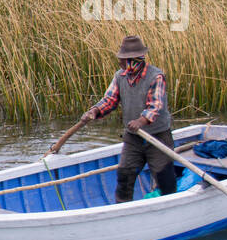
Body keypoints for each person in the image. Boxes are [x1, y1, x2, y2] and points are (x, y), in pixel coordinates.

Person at [56, 34, 176, 202]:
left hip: (157, 137)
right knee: (125, 174)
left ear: (133, 60)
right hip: (134, 138)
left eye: (123, 59)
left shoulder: (155, 76)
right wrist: (95, 111)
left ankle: (170, 210)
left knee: (165, 178)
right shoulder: (120, 76)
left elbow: (155, 106)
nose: (119, 62)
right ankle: (122, 209)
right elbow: (109, 100)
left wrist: (141, 121)